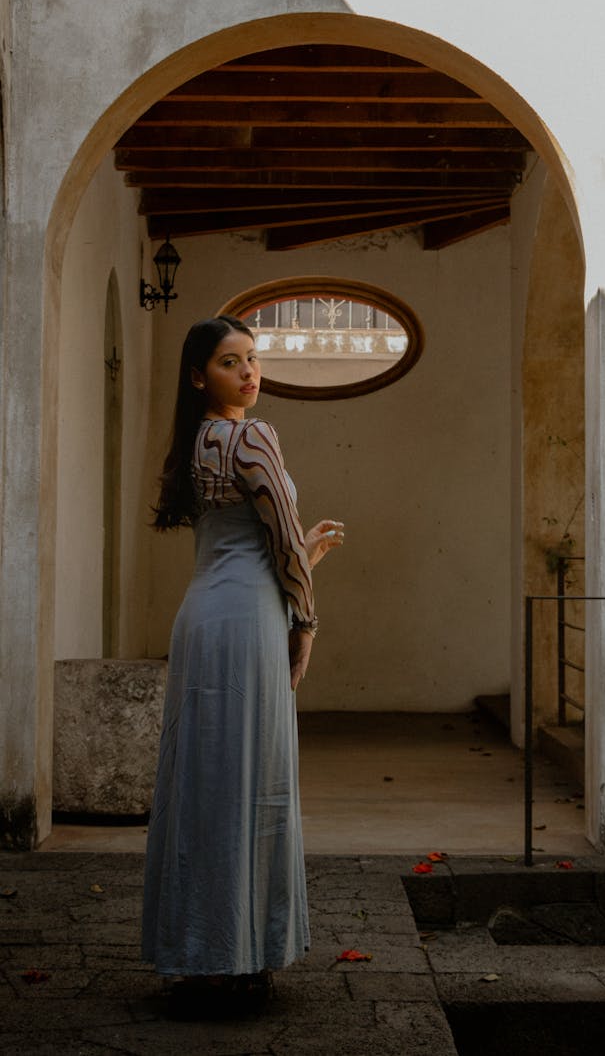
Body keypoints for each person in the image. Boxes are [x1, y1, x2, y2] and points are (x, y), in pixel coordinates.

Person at [141, 315, 343, 1015]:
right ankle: (243, 955)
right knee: (252, 786)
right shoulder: (254, 436)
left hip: (203, 620)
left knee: (202, 785)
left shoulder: (194, 442)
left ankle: (199, 955)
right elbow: (281, 543)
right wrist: (307, 620)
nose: (249, 372)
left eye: (253, 359)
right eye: (232, 363)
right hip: (251, 628)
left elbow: (255, 545)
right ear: (200, 376)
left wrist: (301, 554)